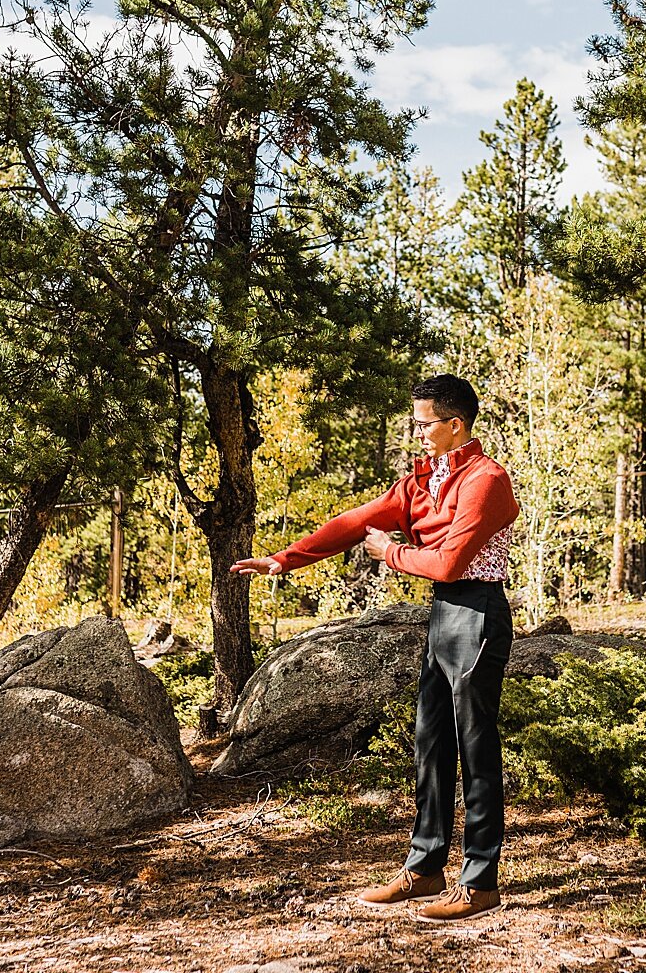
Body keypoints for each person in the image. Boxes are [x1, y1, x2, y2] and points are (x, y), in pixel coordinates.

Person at [231, 374, 519, 923]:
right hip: (444, 613)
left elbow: (449, 564)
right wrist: (285, 559)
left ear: (455, 424)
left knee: (476, 748)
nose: (416, 431)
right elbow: (353, 522)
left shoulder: (486, 481)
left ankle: (479, 881)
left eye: (423, 422)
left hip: (478, 612)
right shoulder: (422, 481)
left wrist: (389, 552)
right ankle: (426, 866)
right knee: (431, 742)